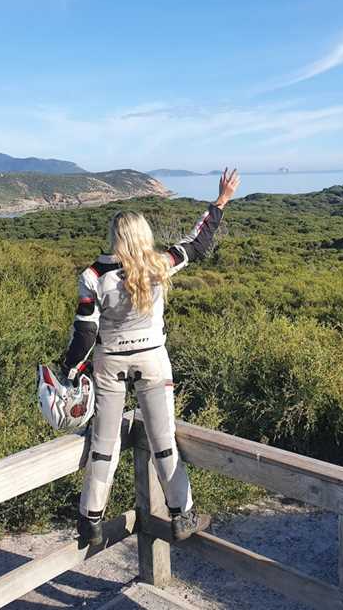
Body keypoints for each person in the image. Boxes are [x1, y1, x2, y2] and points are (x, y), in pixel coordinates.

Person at [60, 168, 241, 546]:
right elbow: (198, 241)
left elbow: (86, 333)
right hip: (154, 360)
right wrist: (221, 201)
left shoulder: (92, 275)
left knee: (104, 445)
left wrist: (69, 369)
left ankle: (90, 521)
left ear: (114, 237)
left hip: (109, 363)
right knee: (164, 441)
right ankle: (181, 514)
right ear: (143, 236)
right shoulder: (159, 265)